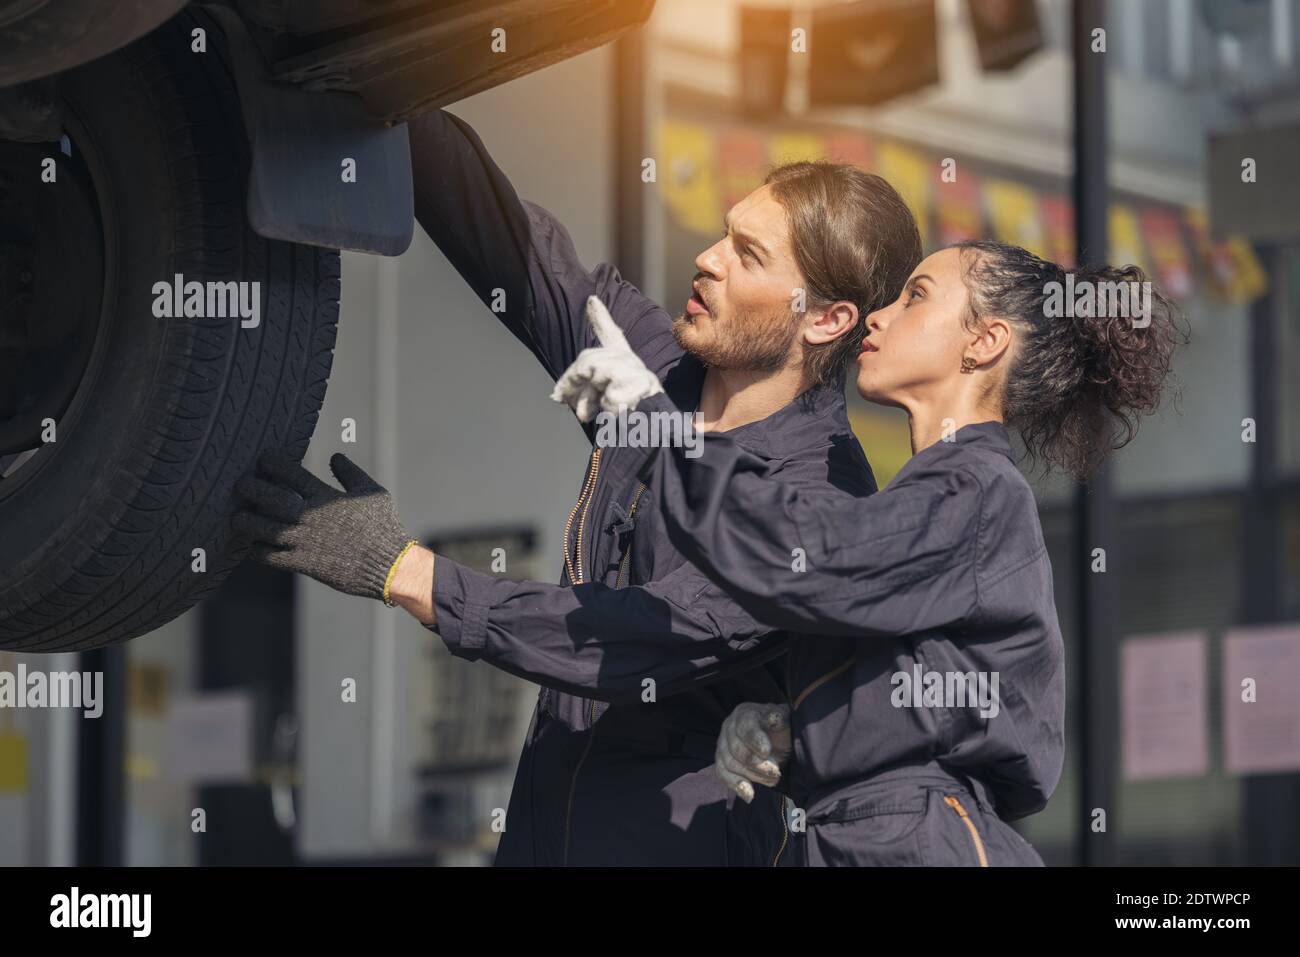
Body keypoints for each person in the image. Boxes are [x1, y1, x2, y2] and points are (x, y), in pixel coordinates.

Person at [232, 105, 923, 866]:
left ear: (826, 319)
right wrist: (391, 88)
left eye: (748, 255)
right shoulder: (658, 373)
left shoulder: (824, 502)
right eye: (725, 233)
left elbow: (642, 638)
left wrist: (407, 572)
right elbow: (511, 247)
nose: (708, 259)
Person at [553, 239, 1187, 865]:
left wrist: (658, 426)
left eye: (916, 297)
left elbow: (802, 558)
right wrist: (798, 731)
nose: (878, 316)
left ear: (984, 342)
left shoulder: (977, 490)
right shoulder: (945, 495)